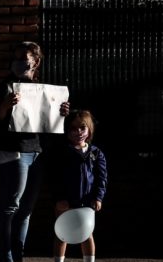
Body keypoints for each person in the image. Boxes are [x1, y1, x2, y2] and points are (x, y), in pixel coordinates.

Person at [0, 41, 69, 262]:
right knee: (10, 207)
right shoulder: (7, 86)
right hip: (14, 152)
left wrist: (62, 112)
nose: (18, 62)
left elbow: (50, 123)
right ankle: (6, 257)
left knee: (26, 210)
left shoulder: (42, 90)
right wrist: (5, 105)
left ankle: (17, 256)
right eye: (16, 58)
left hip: (36, 152)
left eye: (23, 58)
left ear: (35, 62)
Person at [51, 110, 107, 262]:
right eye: (73, 128)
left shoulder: (96, 153)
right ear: (67, 131)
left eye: (82, 127)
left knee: (87, 234)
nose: (78, 132)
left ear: (89, 129)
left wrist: (98, 197)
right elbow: (55, 177)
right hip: (65, 202)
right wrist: (59, 198)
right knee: (61, 234)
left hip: (87, 202)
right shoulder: (62, 152)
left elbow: (102, 178)